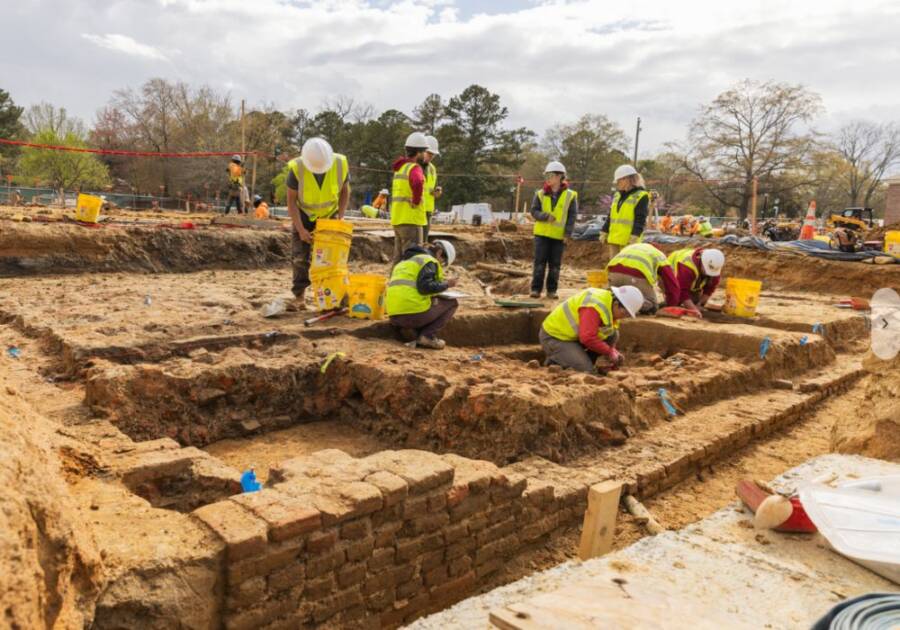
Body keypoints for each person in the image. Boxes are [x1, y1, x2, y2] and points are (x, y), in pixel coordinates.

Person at [285, 137, 350, 309]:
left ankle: (333, 296)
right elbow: (291, 202)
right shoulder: (296, 168)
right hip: (304, 215)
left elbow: (345, 191)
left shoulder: (340, 163)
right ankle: (299, 296)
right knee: (300, 257)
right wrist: (300, 229)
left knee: (332, 259)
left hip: (330, 215)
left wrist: (340, 216)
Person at [540, 285, 643, 374]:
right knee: (586, 371)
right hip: (556, 337)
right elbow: (587, 338)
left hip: (575, 336)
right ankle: (555, 361)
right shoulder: (594, 306)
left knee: (613, 335)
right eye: (625, 313)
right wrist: (609, 351)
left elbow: (606, 333)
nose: (624, 317)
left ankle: (582, 359)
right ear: (616, 304)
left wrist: (613, 350)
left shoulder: (610, 303)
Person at [386, 239, 458, 349]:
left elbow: (413, 288)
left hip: (394, 315)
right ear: (439, 253)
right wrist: (447, 284)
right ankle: (427, 336)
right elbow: (425, 287)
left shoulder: (404, 263)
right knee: (452, 303)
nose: (441, 264)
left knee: (431, 300)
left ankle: (412, 332)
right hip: (411, 315)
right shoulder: (428, 261)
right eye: (443, 261)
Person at [530, 161, 578, 299]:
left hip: (558, 236)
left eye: (550, 175)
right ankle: (536, 290)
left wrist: (567, 233)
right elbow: (534, 211)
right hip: (542, 234)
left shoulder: (571, 195)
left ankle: (552, 290)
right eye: (546, 175)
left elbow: (572, 215)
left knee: (555, 265)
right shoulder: (540, 194)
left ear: (559, 176)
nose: (548, 178)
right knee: (539, 263)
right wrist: (544, 216)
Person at [606, 242, 680, 314]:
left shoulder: (632, 247)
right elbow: (672, 284)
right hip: (636, 276)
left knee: (616, 294)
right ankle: (625, 301)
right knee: (652, 306)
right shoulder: (659, 254)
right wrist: (672, 305)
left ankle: (613, 297)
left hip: (613, 274)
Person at [390, 132, 430, 263]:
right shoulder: (414, 168)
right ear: (418, 152)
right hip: (411, 220)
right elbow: (418, 182)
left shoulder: (401, 168)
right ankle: (408, 283)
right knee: (412, 258)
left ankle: (394, 282)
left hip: (398, 219)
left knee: (398, 257)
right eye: (424, 152)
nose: (425, 155)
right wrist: (416, 201)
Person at [600, 165, 649, 258]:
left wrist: (635, 236)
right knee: (613, 268)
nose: (617, 183)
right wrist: (604, 231)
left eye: (619, 180)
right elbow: (611, 216)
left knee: (626, 269)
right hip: (614, 238)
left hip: (628, 241)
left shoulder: (641, 196)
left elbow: (640, 219)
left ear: (627, 179)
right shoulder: (617, 195)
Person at [667, 248, 725, 317]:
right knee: (675, 301)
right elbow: (682, 291)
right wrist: (694, 310)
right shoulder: (687, 266)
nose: (709, 274)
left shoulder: (714, 267)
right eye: (707, 270)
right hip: (667, 276)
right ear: (702, 262)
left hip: (687, 279)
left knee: (694, 301)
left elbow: (710, 288)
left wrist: (700, 304)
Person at [422, 135, 443, 242]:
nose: (430, 157)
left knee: (424, 241)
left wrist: (436, 192)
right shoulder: (415, 166)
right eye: (429, 153)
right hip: (417, 209)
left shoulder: (432, 169)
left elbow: (431, 188)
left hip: (428, 210)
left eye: (433, 155)